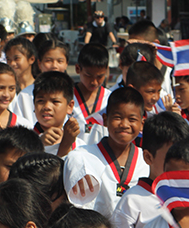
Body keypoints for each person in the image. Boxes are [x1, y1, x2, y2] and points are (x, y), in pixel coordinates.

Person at [112, 112, 189, 228]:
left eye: (184, 156)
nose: (180, 164)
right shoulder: (132, 201)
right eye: (171, 157)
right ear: (148, 157)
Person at [63, 87, 149, 217]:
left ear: (142, 123)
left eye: (132, 119)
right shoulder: (82, 157)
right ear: (105, 119)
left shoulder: (146, 160)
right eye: (117, 117)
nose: (124, 124)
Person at [11, 39, 71, 125]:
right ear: (39, 63)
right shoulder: (25, 95)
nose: (54, 66)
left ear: (66, 64)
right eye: (48, 61)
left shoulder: (71, 91)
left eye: (60, 61)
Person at [32, 71, 83, 157]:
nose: (47, 107)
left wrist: (66, 143)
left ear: (70, 106)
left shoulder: (80, 147)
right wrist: (38, 144)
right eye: (40, 101)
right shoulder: (22, 145)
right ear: (34, 104)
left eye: (55, 101)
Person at [72, 43, 112, 143]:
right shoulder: (66, 97)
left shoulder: (110, 99)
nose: (94, 82)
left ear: (106, 71)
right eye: (88, 75)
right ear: (78, 69)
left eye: (100, 77)